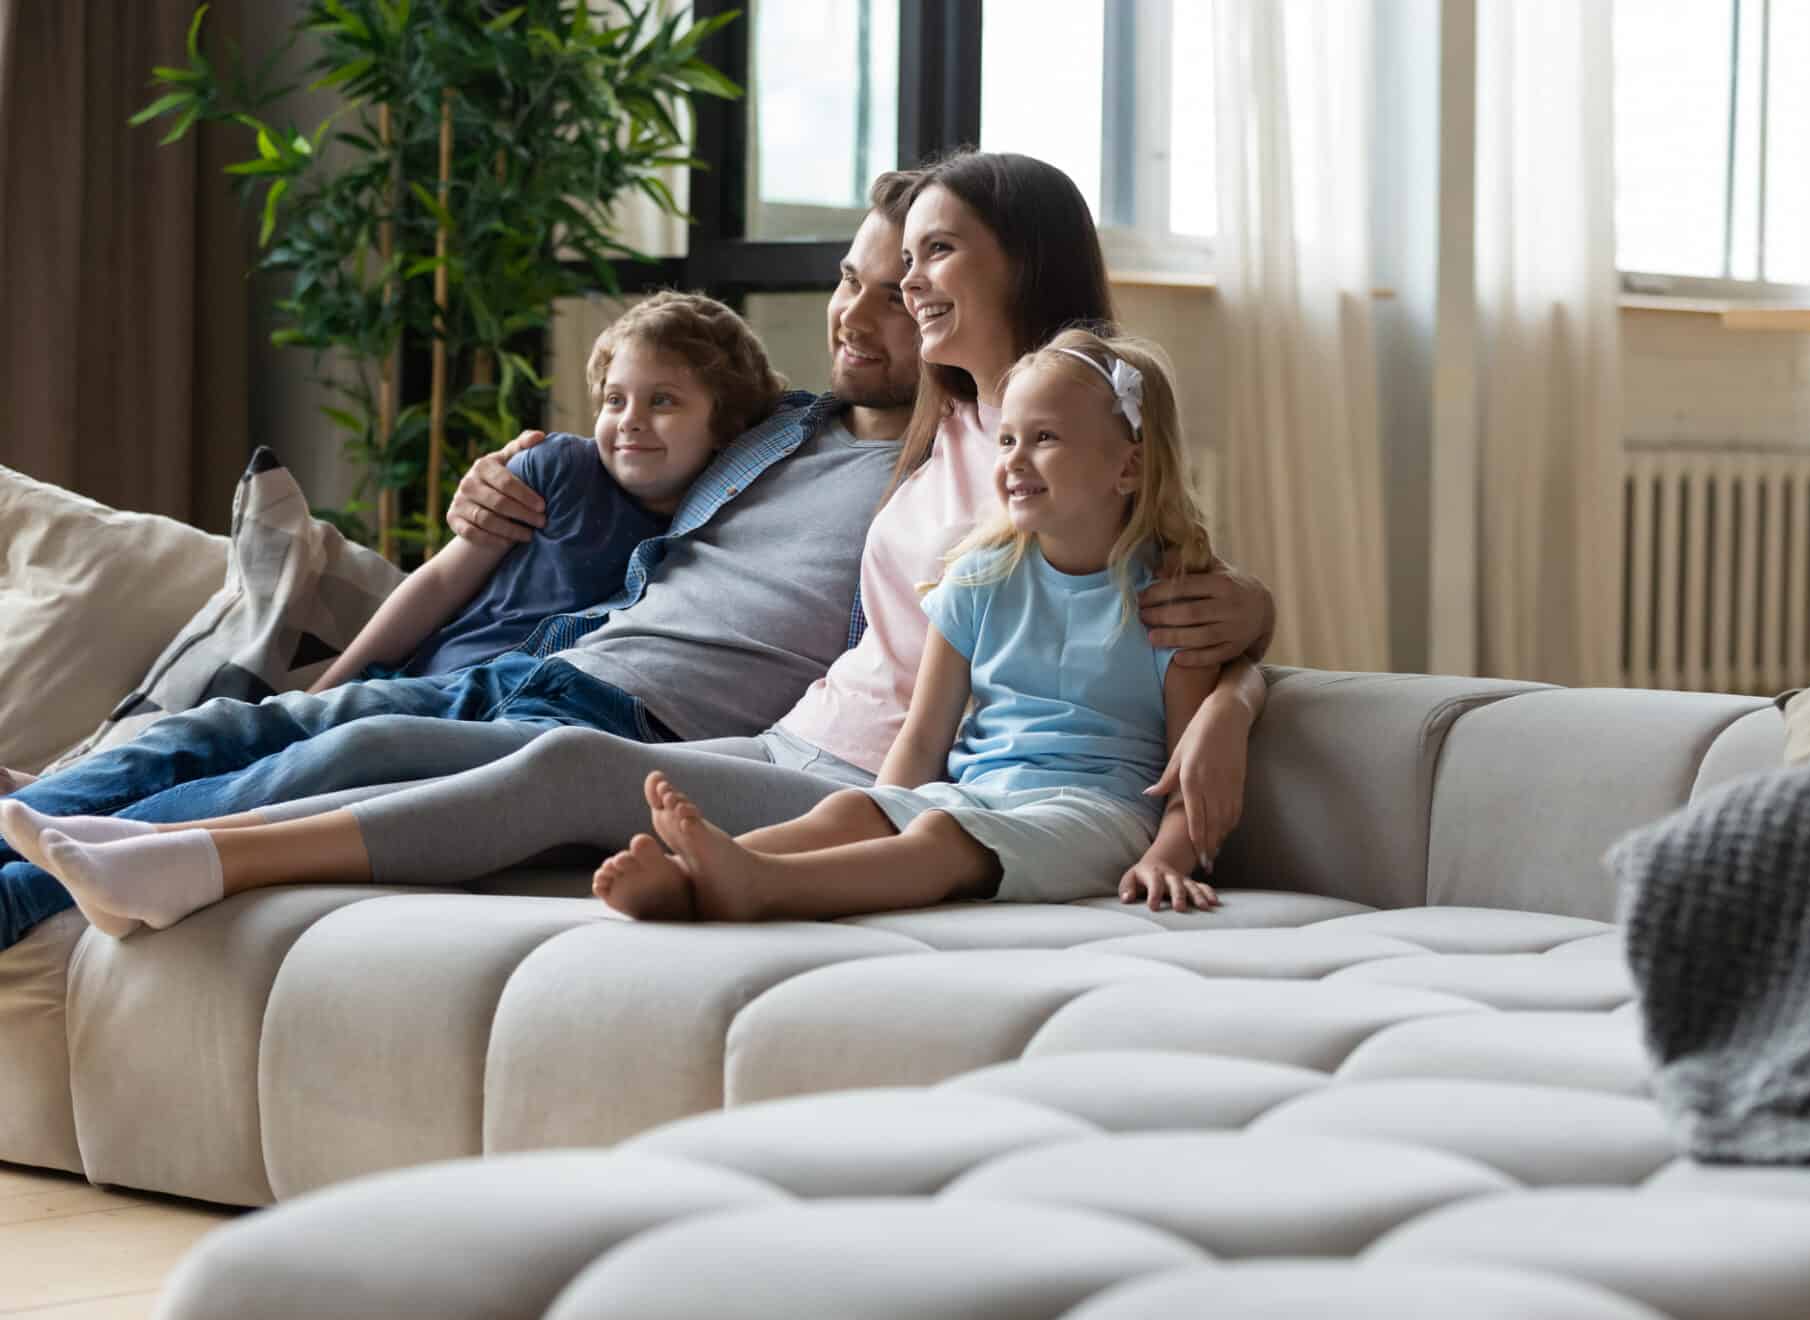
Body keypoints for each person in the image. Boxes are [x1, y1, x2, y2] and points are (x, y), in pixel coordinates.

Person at [3, 152, 1275, 938]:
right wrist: (512, 482)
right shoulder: (925, 430)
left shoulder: (1062, 442)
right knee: (373, 733)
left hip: (858, 776)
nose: (899, 292)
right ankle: (110, 849)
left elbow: (1168, 590)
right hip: (789, 742)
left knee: (556, 766)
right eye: (895, 267)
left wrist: (1237, 686)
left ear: (1025, 264)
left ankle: (176, 861)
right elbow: (664, 442)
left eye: (933, 258)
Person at [0, 177, 925, 948]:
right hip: (550, 665)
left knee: (325, 757)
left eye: (899, 294)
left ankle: (27, 887)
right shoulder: (780, 430)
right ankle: (36, 817)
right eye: (851, 278)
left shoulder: (941, 475)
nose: (856, 314)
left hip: (629, 725)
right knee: (226, 730)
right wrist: (516, 471)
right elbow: (644, 443)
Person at [593, 328, 1243, 922]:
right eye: (1008, 438)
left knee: (939, 837)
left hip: (1095, 815)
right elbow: (923, 736)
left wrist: (1169, 856)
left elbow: (1192, 773)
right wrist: (885, 810)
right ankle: (688, 879)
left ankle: (759, 883)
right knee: (856, 806)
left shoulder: (1174, 599)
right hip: (977, 795)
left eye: (1045, 439)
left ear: (1126, 467)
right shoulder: (976, 579)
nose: (1014, 460)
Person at [312, 290, 779, 691]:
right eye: (615, 400)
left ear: (727, 424)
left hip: (524, 717)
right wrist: (324, 689)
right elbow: (438, 583)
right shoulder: (558, 469)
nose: (629, 420)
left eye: (662, 400)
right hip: (428, 684)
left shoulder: (722, 536)